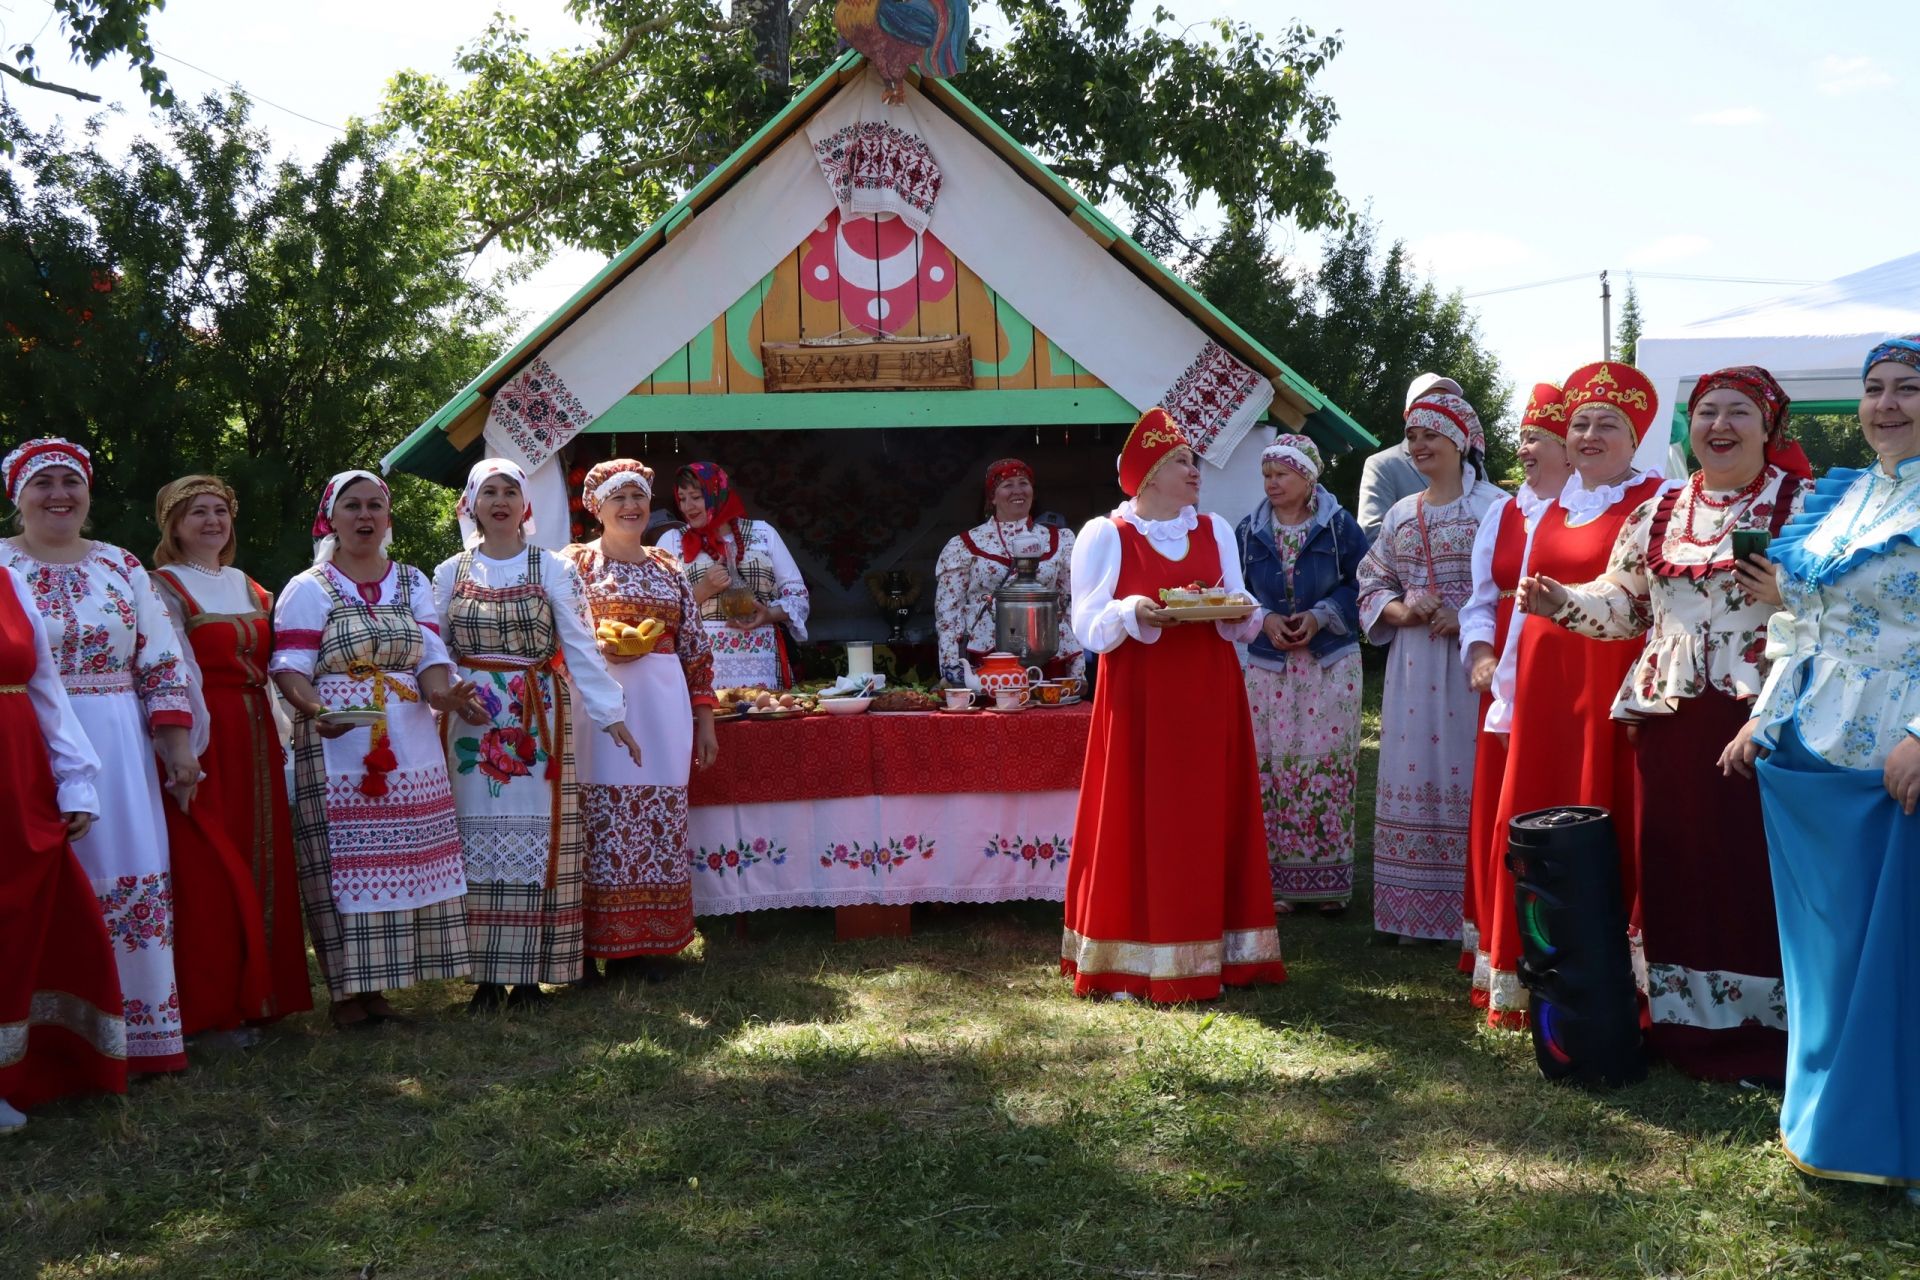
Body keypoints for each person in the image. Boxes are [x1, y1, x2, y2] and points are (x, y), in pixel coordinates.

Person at [1526, 367, 1808, 1080]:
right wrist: (1564, 599)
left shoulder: (1802, 505)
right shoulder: (1658, 512)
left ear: (1769, 425)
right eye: (1706, 411)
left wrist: (1789, 591)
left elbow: (1843, 611)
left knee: (1754, 871)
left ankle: (1770, 1036)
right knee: (1676, 864)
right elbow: (1625, 604)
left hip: (1761, 712)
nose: (1719, 425)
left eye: (1738, 412)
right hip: (1670, 717)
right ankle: (1683, 1024)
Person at [1726, 335, 1920, 1197]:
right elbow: (1799, 624)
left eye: (1908, 389)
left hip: (1893, 761)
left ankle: (1889, 1135)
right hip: (1814, 750)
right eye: (1875, 389)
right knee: (1829, 946)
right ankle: (1828, 1118)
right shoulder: (1840, 500)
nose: (1886, 404)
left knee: (1898, 954)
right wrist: (1763, 720)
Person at [1061, 407, 1287, 1002]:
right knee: (1142, 813)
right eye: (1183, 462)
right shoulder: (1106, 534)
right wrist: (1132, 610)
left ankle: (1219, 950)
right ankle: (1133, 954)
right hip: (1141, 695)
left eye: (1192, 461)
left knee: (1206, 811)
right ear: (1150, 474)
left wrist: (1247, 614)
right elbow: (1084, 622)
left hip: (1209, 691)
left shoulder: (1213, 529)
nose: (1195, 472)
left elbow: (1236, 600)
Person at [2, 437, 200, 1077]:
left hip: (119, 744)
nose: (59, 493)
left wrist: (176, 749)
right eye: (43, 483)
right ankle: (38, 1045)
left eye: (71, 481)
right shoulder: (1, 566)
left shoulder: (120, 565)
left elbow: (161, 657)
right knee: (40, 886)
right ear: (18, 496)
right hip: (24, 743)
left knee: (129, 876)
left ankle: (134, 1038)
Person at [433, 459, 641, 1011]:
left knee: (536, 840)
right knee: (473, 839)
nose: (499, 501)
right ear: (471, 503)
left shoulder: (549, 568)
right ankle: (483, 977)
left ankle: (527, 974)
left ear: (525, 505)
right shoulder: (450, 571)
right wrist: (453, 693)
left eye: (510, 491)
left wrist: (611, 713)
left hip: (536, 713)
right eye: (488, 492)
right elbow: (435, 651)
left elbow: (579, 644)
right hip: (470, 720)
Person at [270, 470, 474, 1030]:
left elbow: (432, 655)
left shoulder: (410, 581)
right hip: (339, 738)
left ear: (388, 517)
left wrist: (444, 694)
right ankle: (344, 992)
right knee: (344, 859)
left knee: (405, 854)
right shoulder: (309, 587)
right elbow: (289, 668)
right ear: (330, 519)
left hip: (408, 734)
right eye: (353, 507)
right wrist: (317, 712)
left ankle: (381, 986)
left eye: (375, 507)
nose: (365, 516)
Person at [1507, 363, 1672, 962]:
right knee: (1543, 799)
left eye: (1608, 424)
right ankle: (1539, 960)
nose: (1590, 435)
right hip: (1546, 683)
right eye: (1580, 424)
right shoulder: (1551, 505)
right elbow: (1525, 605)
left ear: (1635, 439)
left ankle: (1607, 965)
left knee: (1604, 804)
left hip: (1611, 673)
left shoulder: (1656, 500)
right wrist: (1506, 689)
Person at [150, 475, 313, 1045]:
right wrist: (180, 748)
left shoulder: (251, 586)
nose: (213, 521)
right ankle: (208, 1008)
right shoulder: (160, 586)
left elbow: (278, 666)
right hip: (202, 735)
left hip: (256, 731)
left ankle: (262, 998)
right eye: (198, 512)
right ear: (173, 523)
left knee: (259, 856)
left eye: (221, 510)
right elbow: (166, 670)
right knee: (207, 867)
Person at [1356, 392, 1504, 943]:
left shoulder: (1496, 508)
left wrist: (1463, 616)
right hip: (1413, 664)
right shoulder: (1400, 513)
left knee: (1469, 770)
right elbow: (1372, 582)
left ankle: (1472, 912)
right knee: (1410, 765)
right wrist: (1402, 610)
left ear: (1460, 441)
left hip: (1474, 662)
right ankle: (1408, 913)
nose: (1419, 446)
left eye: (1430, 436)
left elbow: (1511, 585)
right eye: (1413, 436)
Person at [566, 460, 719, 980]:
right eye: (619, 498)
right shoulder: (573, 564)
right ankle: (588, 948)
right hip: (595, 706)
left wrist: (706, 721)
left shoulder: (667, 567)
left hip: (661, 704)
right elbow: (557, 637)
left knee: (657, 816)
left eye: (638, 497)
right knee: (597, 819)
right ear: (598, 507)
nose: (631, 507)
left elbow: (696, 648)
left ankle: (650, 945)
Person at [1458, 383, 1572, 1023]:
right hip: (1500, 671)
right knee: (1498, 808)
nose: (1524, 451)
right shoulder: (1504, 513)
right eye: (1524, 438)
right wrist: (1477, 652)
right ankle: (1496, 946)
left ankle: (1547, 946)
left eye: (1537, 440)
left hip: (1556, 667)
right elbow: (1479, 597)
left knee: (1543, 799)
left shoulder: (1588, 507)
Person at [0, 563, 124, 1134]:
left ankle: (18, 1070)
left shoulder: (7, 580)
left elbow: (44, 683)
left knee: (23, 919)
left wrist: (75, 777)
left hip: (17, 771)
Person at [1235, 434, 1366, 915]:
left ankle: (1328, 882)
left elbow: (1367, 583)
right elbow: (1235, 589)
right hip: (1270, 665)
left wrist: (1322, 614)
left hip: (1329, 663)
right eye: (1267, 475)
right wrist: (1263, 618)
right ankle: (1280, 883)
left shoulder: (1338, 528)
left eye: (1281, 474)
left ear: (1307, 478)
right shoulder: (1249, 531)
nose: (1271, 483)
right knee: (1273, 764)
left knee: (1326, 764)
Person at [658, 462, 808, 690]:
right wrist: (704, 589)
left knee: (762, 717)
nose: (688, 506)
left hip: (760, 663)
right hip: (700, 668)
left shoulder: (763, 534)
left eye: (696, 497)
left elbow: (797, 596)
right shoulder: (671, 541)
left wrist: (767, 615)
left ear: (716, 494)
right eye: (682, 498)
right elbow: (659, 610)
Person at [933, 457, 1082, 686]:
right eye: (1007, 485)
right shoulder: (963, 546)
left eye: (1023, 482)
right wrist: (951, 668)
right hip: (984, 659)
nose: (1017, 490)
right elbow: (949, 613)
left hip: (1048, 657)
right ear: (992, 496)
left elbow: (1072, 604)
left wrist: (1077, 668)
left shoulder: (1060, 541)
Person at [1356, 373, 1464, 541]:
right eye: (1427, 405)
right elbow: (1373, 536)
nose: (1438, 411)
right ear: (1408, 416)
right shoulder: (1382, 466)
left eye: (1447, 404)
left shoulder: (1470, 464)